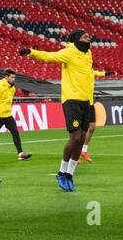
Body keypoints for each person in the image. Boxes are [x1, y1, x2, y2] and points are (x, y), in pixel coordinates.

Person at [20, 28, 96, 192]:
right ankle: (61, 172)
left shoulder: (88, 54)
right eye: (85, 37)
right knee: (75, 137)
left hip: (86, 102)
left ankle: (70, 175)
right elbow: (49, 56)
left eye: (89, 36)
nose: (88, 39)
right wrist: (31, 52)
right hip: (71, 100)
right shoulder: (69, 53)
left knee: (82, 138)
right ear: (77, 39)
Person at [0, 69, 32, 161]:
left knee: (15, 133)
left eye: (14, 77)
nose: (13, 79)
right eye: (12, 77)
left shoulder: (12, 88)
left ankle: (20, 153)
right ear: (6, 77)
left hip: (8, 115)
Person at [79, 68, 108, 162]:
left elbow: (96, 73)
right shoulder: (78, 72)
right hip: (80, 103)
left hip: (90, 104)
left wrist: (105, 73)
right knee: (78, 131)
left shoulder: (90, 71)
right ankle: (74, 154)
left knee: (92, 127)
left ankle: (84, 151)